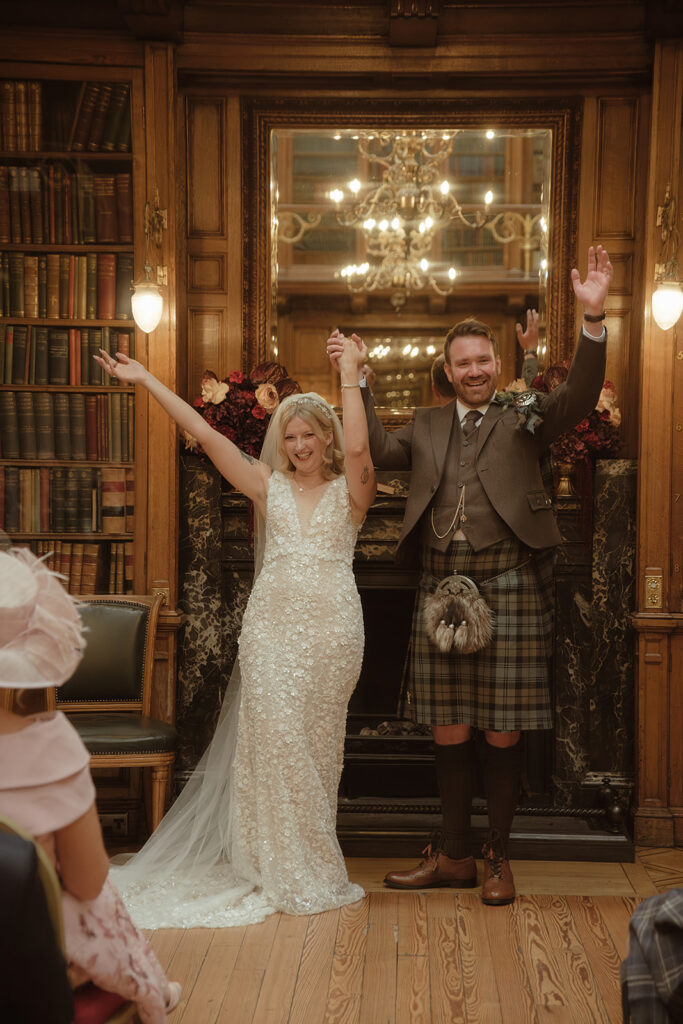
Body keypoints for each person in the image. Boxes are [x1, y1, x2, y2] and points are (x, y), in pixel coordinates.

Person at [326, 245, 612, 906]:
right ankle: (454, 855)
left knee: (502, 729)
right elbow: (375, 448)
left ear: (496, 365)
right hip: (440, 591)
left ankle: (497, 856)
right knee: (448, 727)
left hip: (510, 585)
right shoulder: (426, 424)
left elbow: (578, 398)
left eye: (483, 360)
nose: (475, 370)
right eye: (463, 363)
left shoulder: (525, 415)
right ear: (447, 370)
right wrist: (357, 381)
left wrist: (592, 319)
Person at [94, 338, 376, 927]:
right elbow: (204, 432)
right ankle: (275, 864)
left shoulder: (353, 492)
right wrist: (147, 380)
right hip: (271, 632)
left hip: (333, 635)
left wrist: (349, 375)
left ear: (326, 438)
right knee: (275, 741)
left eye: (309, 435)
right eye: (289, 436)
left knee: (317, 749)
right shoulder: (265, 484)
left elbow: (360, 446)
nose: (299, 445)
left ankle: (308, 862)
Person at [0, 545, 181, 1023]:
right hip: (26, 958)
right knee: (96, 896)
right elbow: (87, 880)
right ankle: (148, 984)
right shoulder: (53, 747)